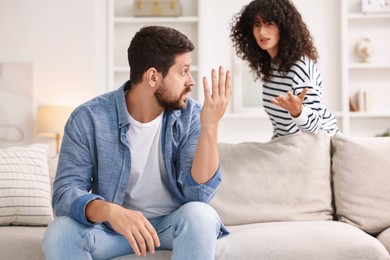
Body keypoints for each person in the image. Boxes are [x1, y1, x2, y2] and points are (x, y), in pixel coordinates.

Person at [42, 25, 231, 260]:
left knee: (200, 215)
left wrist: (210, 127)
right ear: (153, 76)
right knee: (59, 231)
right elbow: (64, 193)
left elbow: (199, 196)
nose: (190, 82)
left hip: (171, 226)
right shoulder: (88, 118)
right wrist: (110, 212)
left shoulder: (191, 116)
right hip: (113, 231)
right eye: (183, 72)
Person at [230, 0, 339, 139]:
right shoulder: (271, 66)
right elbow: (281, 127)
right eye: (257, 24)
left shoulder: (301, 66)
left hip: (318, 144)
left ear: (284, 27)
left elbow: (315, 127)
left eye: (269, 23)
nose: (262, 31)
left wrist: (298, 112)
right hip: (288, 144)